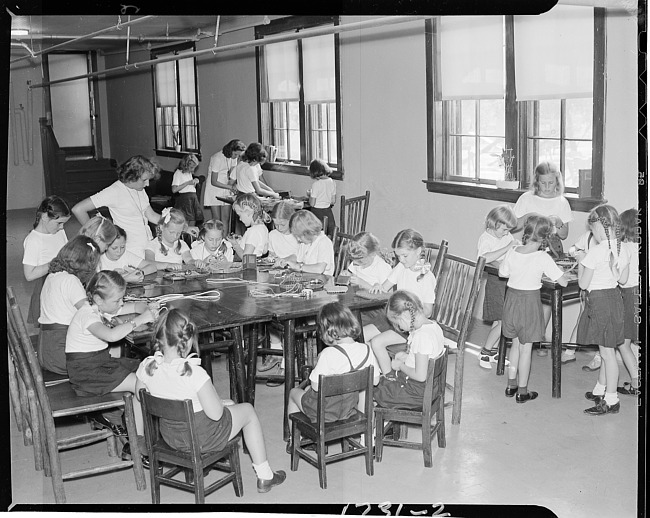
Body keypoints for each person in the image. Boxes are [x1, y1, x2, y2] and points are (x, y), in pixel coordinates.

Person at [135, 309, 286, 493]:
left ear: (159, 338)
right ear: (188, 339)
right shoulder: (193, 373)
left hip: (171, 437)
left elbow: (139, 395)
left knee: (228, 404)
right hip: (202, 438)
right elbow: (215, 415)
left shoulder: (147, 367)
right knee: (247, 411)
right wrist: (222, 403)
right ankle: (265, 476)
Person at [66, 270, 155, 457]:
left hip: (97, 363)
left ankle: (134, 428)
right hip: (87, 373)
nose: (121, 304)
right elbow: (112, 335)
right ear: (98, 299)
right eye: (117, 300)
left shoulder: (98, 307)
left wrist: (146, 306)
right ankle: (137, 442)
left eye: (122, 299)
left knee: (143, 369)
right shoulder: (87, 315)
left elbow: (128, 307)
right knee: (142, 383)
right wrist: (141, 319)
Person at [499, 216, 569, 404]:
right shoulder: (542, 257)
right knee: (526, 349)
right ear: (546, 238)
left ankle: (510, 384)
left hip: (511, 301)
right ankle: (522, 391)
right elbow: (563, 281)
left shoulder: (513, 251)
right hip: (529, 304)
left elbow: (502, 273)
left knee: (514, 345)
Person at [287, 302, 380, 437]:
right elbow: (375, 381)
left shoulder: (328, 354)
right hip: (349, 409)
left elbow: (316, 387)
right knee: (363, 389)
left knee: (294, 392)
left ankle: (294, 439)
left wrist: (319, 363)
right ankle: (365, 436)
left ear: (328, 330)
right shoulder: (366, 349)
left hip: (324, 413)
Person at [513, 161, 573, 357]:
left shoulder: (562, 201)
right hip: (531, 246)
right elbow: (514, 226)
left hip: (552, 249)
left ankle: (539, 335)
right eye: (543, 183)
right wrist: (529, 215)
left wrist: (559, 221)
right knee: (528, 291)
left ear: (557, 182)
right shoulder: (526, 198)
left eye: (551, 183)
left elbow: (564, 234)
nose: (547, 188)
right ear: (536, 183)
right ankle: (525, 334)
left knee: (548, 296)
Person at [577, 205, 631, 415]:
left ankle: (611, 400)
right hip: (615, 299)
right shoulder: (623, 247)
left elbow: (583, 284)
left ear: (599, 227)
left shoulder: (596, 251)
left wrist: (582, 262)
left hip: (599, 301)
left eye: (593, 230)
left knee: (608, 354)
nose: (593, 234)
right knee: (606, 348)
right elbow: (624, 280)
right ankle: (600, 389)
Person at [365, 229, 437, 373]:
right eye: (398, 256)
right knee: (361, 335)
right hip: (394, 318)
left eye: (405, 255)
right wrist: (378, 286)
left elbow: (428, 312)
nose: (402, 260)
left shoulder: (425, 276)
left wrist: (409, 312)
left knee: (376, 342)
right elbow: (385, 288)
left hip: (410, 326)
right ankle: (373, 373)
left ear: (418, 251)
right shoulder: (401, 267)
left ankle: (388, 377)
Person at [72, 155, 161, 259]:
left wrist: (172, 221)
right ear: (132, 177)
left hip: (147, 247)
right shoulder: (114, 191)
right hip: (129, 250)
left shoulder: (140, 189)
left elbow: (151, 215)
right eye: (144, 180)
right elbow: (78, 209)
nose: (147, 184)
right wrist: (96, 233)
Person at [38, 235, 101, 375]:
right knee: (109, 352)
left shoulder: (53, 276)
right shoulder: (70, 280)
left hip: (47, 350)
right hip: (62, 354)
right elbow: (89, 313)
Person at [373, 290, 445, 408]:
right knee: (383, 383)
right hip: (432, 388)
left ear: (405, 317)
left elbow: (421, 376)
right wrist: (407, 357)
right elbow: (427, 359)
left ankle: (383, 420)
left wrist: (400, 365)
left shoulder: (421, 337)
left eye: (397, 324)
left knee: (374, 388)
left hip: (417, 393)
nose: (399, 328)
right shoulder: (433, 327)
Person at [476, 205, 518, 369]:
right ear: (494, 223)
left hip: (507, 281)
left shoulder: (506, 237)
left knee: (499, 320)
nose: (507, 233)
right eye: (504, 229)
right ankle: (485, 351)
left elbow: (509, 255)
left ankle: (493, 351)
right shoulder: (486, 238)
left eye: (509, 230)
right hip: (495, 282)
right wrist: (508, 247)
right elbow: (484, 258)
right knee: (503, 321)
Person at [23, 195, 71, 325]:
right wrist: (54, 262)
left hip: (62, 283)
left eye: (63, 223)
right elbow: (29, 274)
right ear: (44, 217)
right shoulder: (33, 240)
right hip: (47, 287)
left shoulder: (59, 232)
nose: (61, 227)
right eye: (59, 223)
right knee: (53, 325)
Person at [561, 229, 598, 365]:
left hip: (602, 286)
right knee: (582, 316)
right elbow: (573, 249)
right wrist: (576, 252)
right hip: (588, 283)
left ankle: (599, 356)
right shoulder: (588, 236)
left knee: (602, 324)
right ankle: (570, 350)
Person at [616, 208, 640, 395]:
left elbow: (621, 279)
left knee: (622, 342)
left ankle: (636, 382)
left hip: (630, 295)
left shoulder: (624, 248)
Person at [276, 210, 334, 275]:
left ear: (307, 232)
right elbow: (297, 257)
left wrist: (298, 267)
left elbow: (319, 269)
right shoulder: (305, 243)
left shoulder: (324, 242)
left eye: (299, 236)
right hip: (307, 279)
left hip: (323, 282)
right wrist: (285, 260)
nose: (298, 239)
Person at [205, 139, 246, 227]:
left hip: (226, 186)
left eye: (238, 155)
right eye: (235, 154)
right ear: (230, 150)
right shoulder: (217, 158)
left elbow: (232, 175)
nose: (236, 157)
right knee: (217, 219)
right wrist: (230, 187)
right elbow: (213, 181)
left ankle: (224, 240)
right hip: (214, 188)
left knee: (226, 218)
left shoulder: (233, 158)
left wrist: (234, 184)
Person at [227, 193, 271, 259]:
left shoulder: (253, 231)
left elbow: (246, 258)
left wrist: (235, 245)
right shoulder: (263, 227)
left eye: (239, 215)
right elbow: (264, 250)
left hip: (250, 266)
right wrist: (243, 240)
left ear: (248, 212)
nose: (240, 219)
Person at [172, 153, 203, 227]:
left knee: (193, 222)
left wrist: (195, 180)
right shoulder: (178, 173)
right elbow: (174, 189)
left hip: (192, 198)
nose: (193, 170)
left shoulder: (188, 173)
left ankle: (191, 237)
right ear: (185, 165)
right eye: (191, 167)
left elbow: (190, 185)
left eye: (194, 168)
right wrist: (187, 183)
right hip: (185, 199)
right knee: (185, 223)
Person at [307, 158, 336, 237]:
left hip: (317, 212)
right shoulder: (332, 182)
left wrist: (310, 195)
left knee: (316, 233)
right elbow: (333, 201)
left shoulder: (316, 184)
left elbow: (312, 204)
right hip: (328, 211)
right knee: (329, 233)